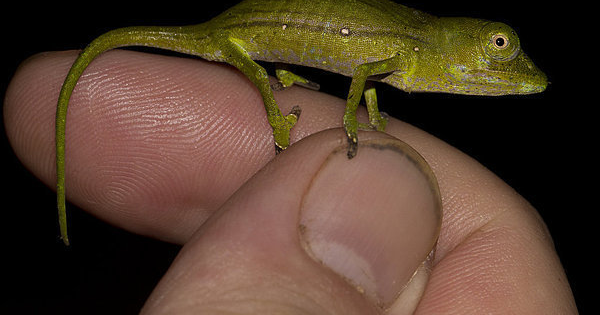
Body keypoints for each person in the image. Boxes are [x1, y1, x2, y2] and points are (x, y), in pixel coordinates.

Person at [5, 50, 577, 314]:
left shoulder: (408, 54)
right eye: (500, 48)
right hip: (241, 39)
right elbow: (359, 73)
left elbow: (368, 69)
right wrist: (350, 122)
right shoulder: (410, 49)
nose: (506, 61)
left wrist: (367, 108)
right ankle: (272, 93)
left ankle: (277, 83)